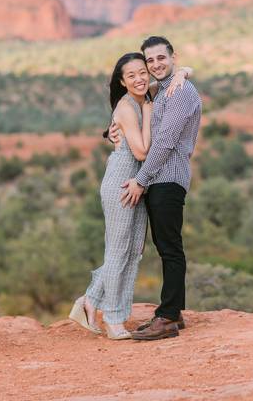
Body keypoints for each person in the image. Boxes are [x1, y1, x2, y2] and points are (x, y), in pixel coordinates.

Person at [69, 52, 189, 339]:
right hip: (122, 185)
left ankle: (88, 302)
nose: (139, 79)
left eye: (142, 72)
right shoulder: (128, 107)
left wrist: (183, 73)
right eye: (131, 75)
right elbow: (141, 151)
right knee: (118, 250)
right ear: (122, 82)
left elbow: (178, 71)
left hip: (137, 185)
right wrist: (147, 113)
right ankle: (113, 319)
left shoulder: (146, 97)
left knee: (133, 251)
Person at [119, 36, 202, 341]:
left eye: (160, 58)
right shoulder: (164, 89)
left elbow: (166, 143)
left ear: (172, 56)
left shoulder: (180, 93)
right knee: (167, 246)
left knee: (170, 248)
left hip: (167, 178)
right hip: (159, 178)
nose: (155, 64)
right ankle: (172, 313)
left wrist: (141, 180)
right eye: (150, 60)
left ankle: (167, 317)